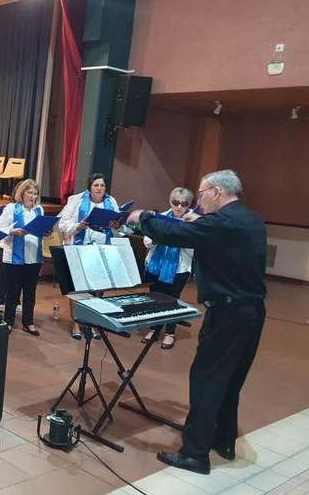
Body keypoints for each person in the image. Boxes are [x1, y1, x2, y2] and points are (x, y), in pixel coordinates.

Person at [127, 169, 266, 475]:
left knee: (206, 380)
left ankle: (194, 454)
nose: (199, 201)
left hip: (226, 314)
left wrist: (143, 217)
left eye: (201, 194)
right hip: (252, 312)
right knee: (230, 380)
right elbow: (208, 233)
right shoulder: (252, 220)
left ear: (216, 191)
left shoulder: (221, 223)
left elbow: (173, 235)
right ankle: (223, 441)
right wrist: (197, 222)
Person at [58, 172, 125, 339]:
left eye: (102, 185)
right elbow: (63, 224)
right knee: (78, 287)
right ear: (89, 187)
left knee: (98, 288)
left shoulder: (111, 202)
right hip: (80, 247)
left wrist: (117, 227)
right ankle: (77, 322)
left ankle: (94, 323)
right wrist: (78, 226)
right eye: (96, 185)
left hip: (103, 249)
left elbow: (119, 227)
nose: (99, 188)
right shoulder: (77, 200)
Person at [141, 187, 195, 349]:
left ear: (189, 205)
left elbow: (195, 249)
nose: (179, 207)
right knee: (155, 298)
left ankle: (170, 333)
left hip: (178, 268)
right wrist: (156, 239)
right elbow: (147, 241)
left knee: (172, 299)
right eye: (175, 202)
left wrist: (178, 239)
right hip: (155, 265)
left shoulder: (193, 222)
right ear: (170, 202)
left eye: (184, 204)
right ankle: (154, 329)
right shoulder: (160, 218)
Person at [0, 179, 50, 336]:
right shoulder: (12, 209)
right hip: (15, 257)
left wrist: (47, 232)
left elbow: (41, 231)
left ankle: (28, 322)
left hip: (33, 257)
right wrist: (12, 232)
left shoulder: (39, 210)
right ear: (22, 193)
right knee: (13, 291)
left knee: (30, 292)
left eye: (35, 193)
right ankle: (8, 321)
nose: (32, 196)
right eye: (29, 193)